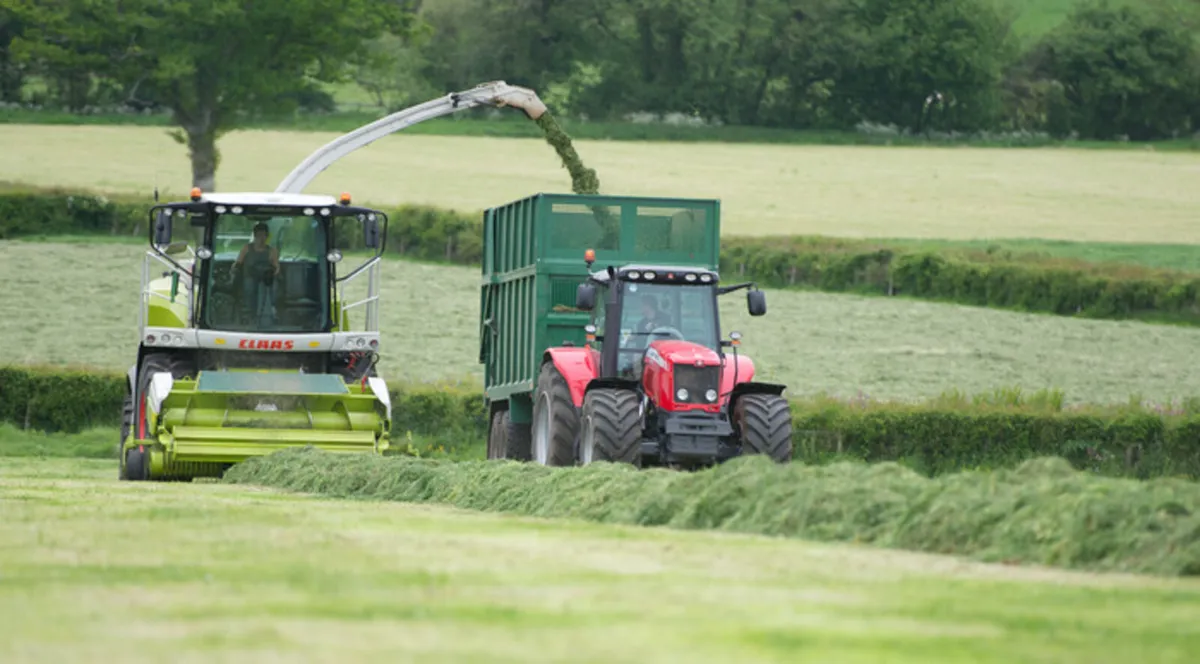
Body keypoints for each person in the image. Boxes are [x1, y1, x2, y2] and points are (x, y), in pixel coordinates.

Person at [234, 222, 280, 326]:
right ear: (255, 236)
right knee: (249, 287)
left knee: (274, 286)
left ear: (267, 236)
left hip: (266, 278)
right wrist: (235, 269)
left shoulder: (271, 251)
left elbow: (277, 267)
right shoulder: (246, 248)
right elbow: (238, 263)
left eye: (264, 235)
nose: (261, 238)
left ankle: (273, 309)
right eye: (259, 235)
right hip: (249, 276)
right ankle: (249, 312)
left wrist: (273, 272)